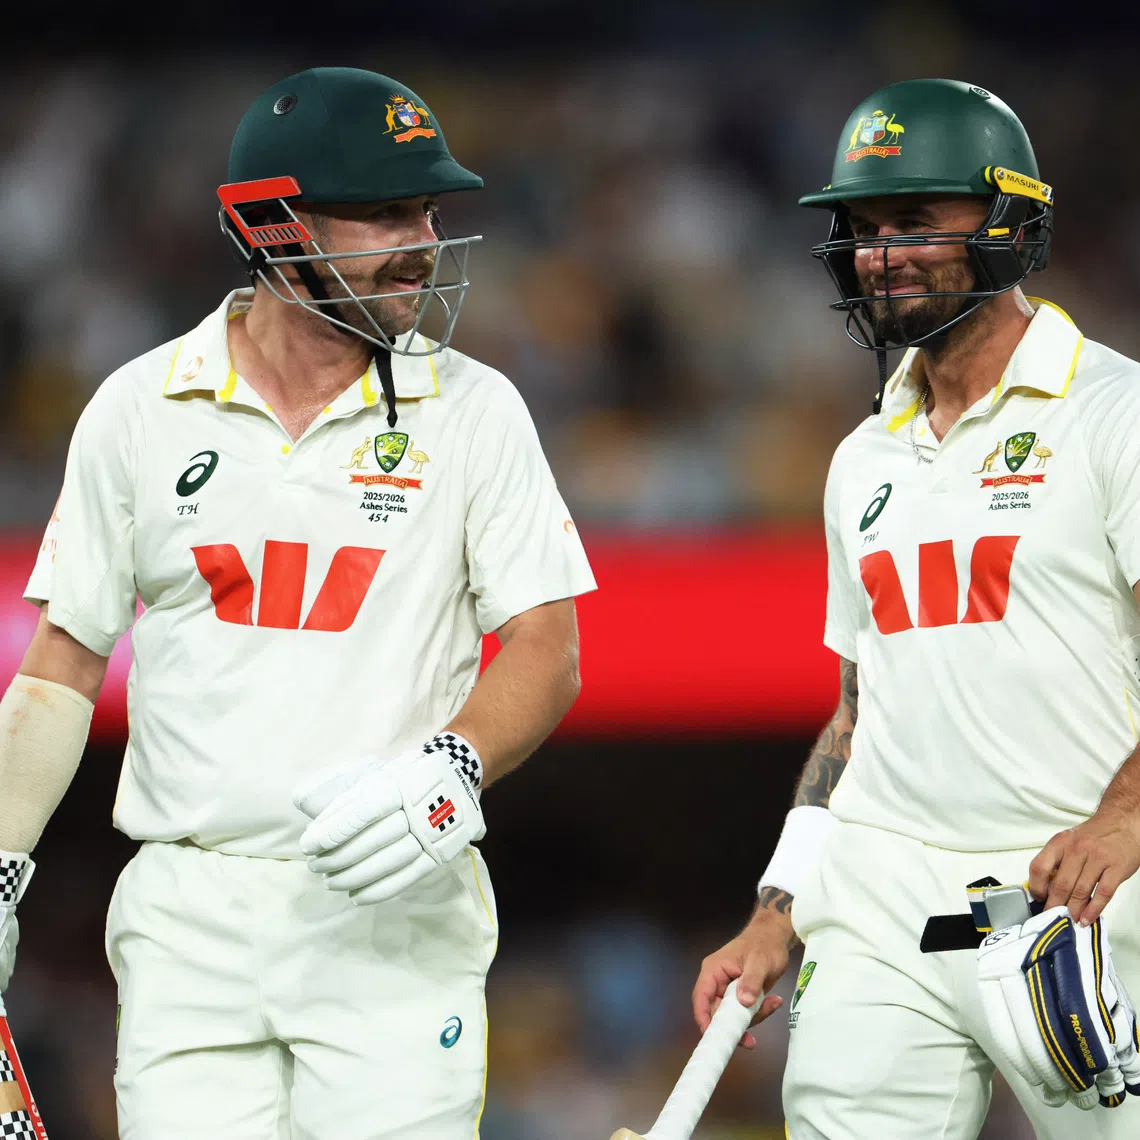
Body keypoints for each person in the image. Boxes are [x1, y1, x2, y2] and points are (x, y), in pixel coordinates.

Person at [0, 66, 595, 1139]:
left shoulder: (478, 410)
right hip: (187, 919)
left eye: (427, 210)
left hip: (392, 907)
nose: (423, 240)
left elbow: (549, 645)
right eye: (385, 212)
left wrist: (450, 767)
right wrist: (0, 860)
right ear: (274, 227)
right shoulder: (137, 409)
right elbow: (61, 666)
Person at [692, 78, 1140, 1138]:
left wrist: (1126, 818)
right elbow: (860, 710)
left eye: (914, 221)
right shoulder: (861, 458)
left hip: (1078, 885)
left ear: (1008, 223)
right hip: (881, 899)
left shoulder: (1114, 414)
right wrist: (778, 909)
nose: (881, 253)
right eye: (865, 228)